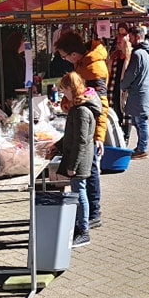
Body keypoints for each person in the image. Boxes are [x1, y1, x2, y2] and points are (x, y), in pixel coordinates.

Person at [54, 30, 110, 230]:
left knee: (90, 171)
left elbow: (101, 105)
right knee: (89, 171)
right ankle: (91, 212)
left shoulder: (93, 68)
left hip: (91, 130)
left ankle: (93, 213)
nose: (64, 60)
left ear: (73, 54)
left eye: (64, 56)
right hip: (88, 126)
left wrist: (99, 136)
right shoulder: (83, 63)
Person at [55, 71, 102, 248]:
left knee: (79, 192)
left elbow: (81, 140)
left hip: (80, 159)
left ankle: (83, 231)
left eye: (64, 89)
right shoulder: (79, 107)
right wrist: (58, 145)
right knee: (78, 191)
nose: (63, 93)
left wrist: (72, 165)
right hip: (80, 156)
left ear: (71, 88)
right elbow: (72, 135)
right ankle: (79, 226)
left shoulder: (82, 110)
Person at [120, 26, 149, 159]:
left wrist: (123, 85)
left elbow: (131, 74)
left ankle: (142, 148)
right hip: (142, 91)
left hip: (138, 93)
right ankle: (141, 146)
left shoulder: (137, 54)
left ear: (138, 37)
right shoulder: (147, 52)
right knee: (138, 121)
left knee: (141, 122)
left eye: (132, 37)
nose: (130, 40)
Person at [108, 23, 132, 137]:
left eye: (119, 42)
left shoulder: (130, 56)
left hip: (125, 89)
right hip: (114, 86)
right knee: (116, 110)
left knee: (125, 111)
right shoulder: (115, 55)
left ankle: (125, 135)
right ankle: (118, 134)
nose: (117, 44)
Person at [1, 29, 27, 99]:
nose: (24, 43)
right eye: (23, 41)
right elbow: (14, 75)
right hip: (13, 93)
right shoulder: (11, 58)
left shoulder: (16, 57)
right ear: (18, 43)